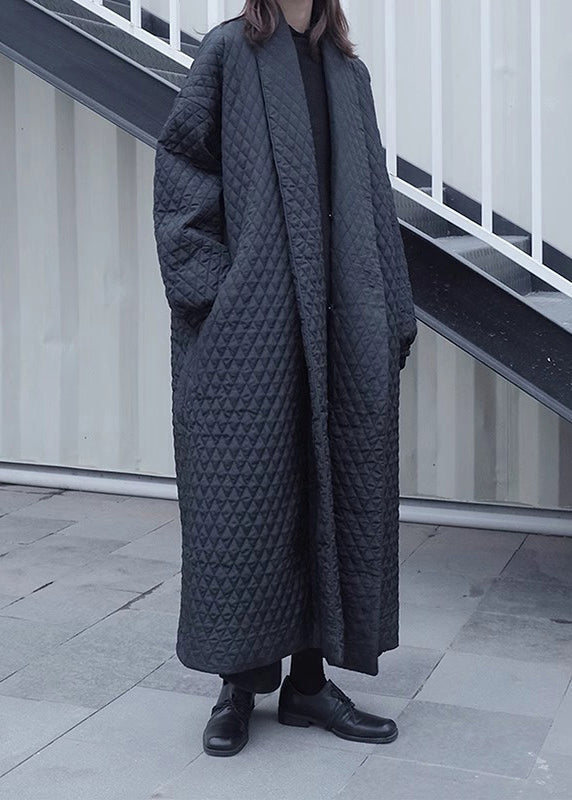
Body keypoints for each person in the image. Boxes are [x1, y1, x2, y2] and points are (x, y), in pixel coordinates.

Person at [152, 0, 417, 757]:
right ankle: (237, 688)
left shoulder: (348, 74)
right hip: (254, 328)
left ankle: (307, 685)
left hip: (336, 323)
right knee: (244, 503)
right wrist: (219, 294)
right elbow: (180, 169)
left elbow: (373, 198)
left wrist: (392, 311)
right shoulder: (229, 53)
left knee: (328, 493)